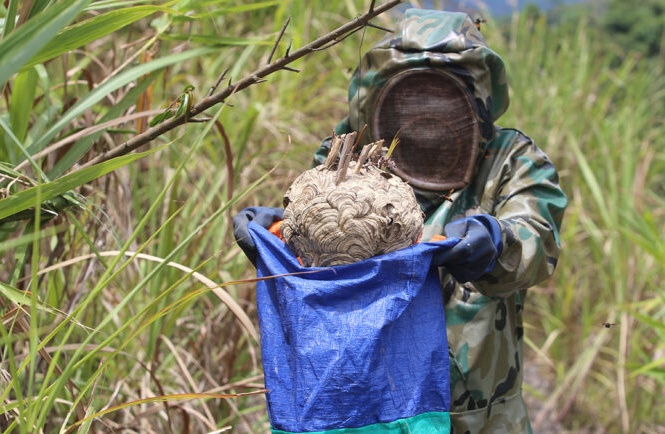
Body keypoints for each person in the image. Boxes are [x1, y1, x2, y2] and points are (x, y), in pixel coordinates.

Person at [234, 8, 567, 433]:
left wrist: (496, 242)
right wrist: (279, 236)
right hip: (370, 410)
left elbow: (536, 237)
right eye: (413, 96)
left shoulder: (511, 161)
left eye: (443, 96)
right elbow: (327, 248)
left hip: (480, 415)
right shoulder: (349, 158)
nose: (428, 114)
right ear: (379, 96)